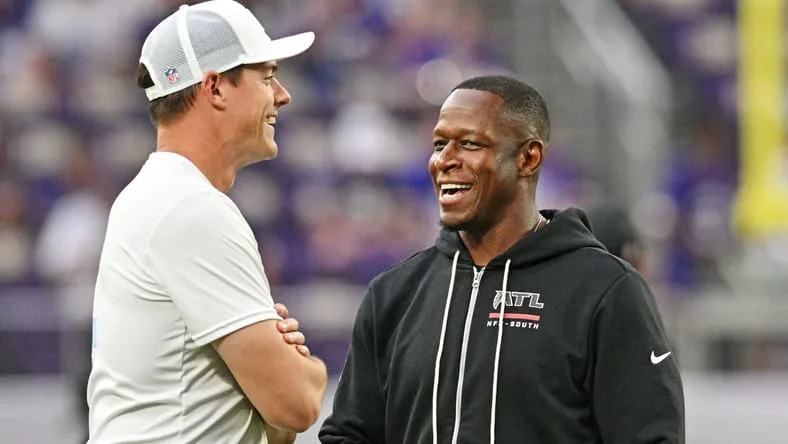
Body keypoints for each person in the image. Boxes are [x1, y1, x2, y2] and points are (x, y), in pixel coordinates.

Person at [320, 75, 684, 443]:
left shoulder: (605, 290)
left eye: (469, 144)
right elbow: (350, 434)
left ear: (529, 157)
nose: (444, 160)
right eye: (439, 143)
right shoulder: (393, 294)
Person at [87, 1, 327, 443]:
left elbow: (274, 430)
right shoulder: (189, 207)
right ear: (215, 87)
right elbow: (297, 404)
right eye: (267, 76)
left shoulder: (157, 195)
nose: (282, 95)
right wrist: (304, 366)